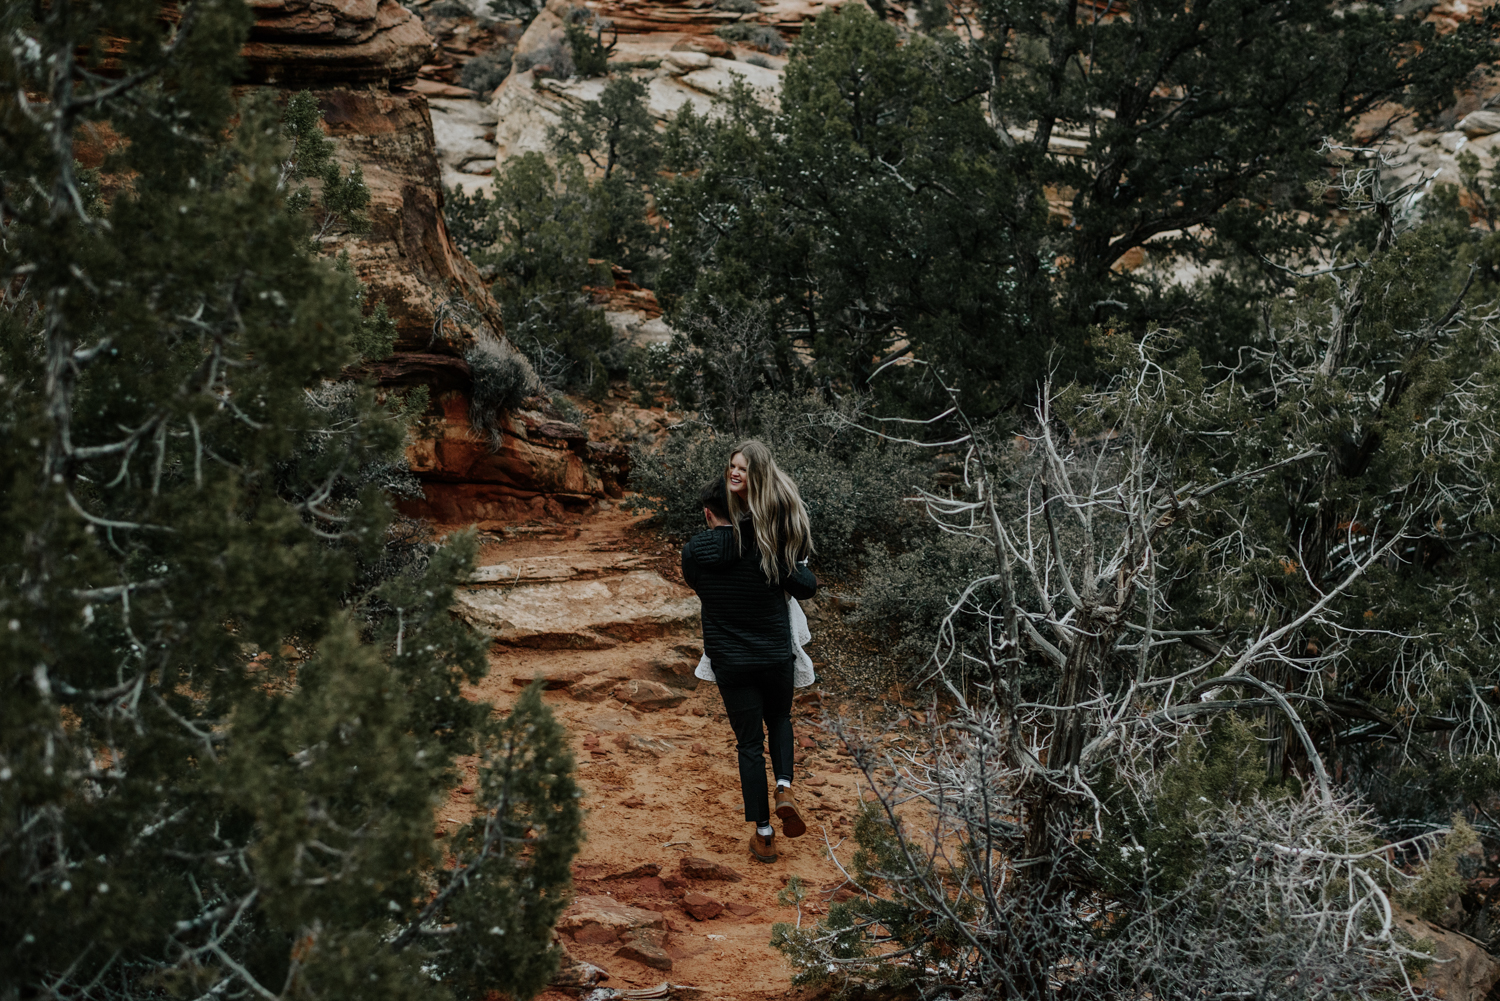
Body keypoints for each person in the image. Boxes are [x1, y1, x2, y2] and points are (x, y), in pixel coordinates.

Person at [681, 443, 816, 864]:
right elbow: (806, 587)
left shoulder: (692, 554)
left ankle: (763, 834)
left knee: (747, 745)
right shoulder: (768, 547)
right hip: (775, 654)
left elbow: (700, 583)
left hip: (731, 661)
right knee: (779, 719)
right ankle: (785, 787)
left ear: (707, 513)